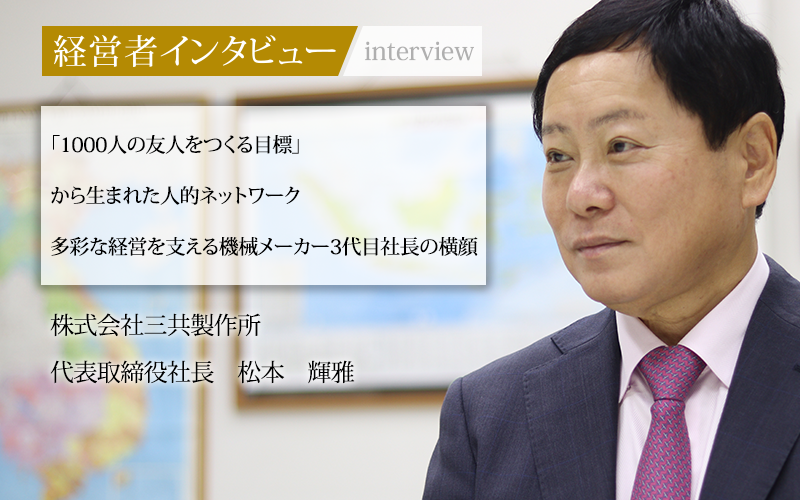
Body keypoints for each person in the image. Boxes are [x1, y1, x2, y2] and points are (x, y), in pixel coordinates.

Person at [422, 0, 800, 498]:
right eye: (559, 156)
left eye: (620, 145)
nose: (580, 195)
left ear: (752, 160)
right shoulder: (489, 415)